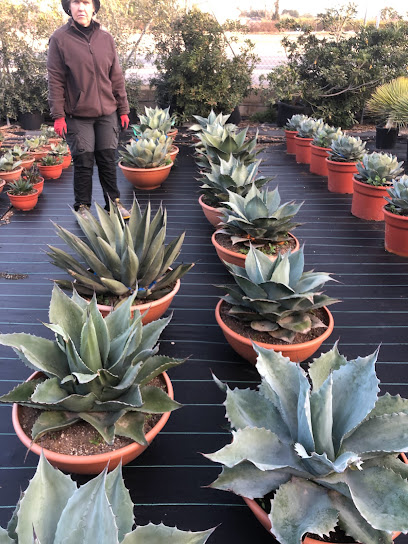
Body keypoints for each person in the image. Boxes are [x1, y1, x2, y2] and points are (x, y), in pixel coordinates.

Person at [47, 0, 131, 219]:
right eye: (76, 2)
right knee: (83, 161)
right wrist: (58, 115)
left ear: (94, 7)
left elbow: (116, 76)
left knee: (107, 159)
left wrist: (123, 108)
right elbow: (55, 79)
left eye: (86, 2)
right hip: (78, 114)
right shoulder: (60, 39)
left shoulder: (106, 38)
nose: (81, 8)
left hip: (107, 113)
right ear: (69, 7)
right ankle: (82, 207)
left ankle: (114, 203)